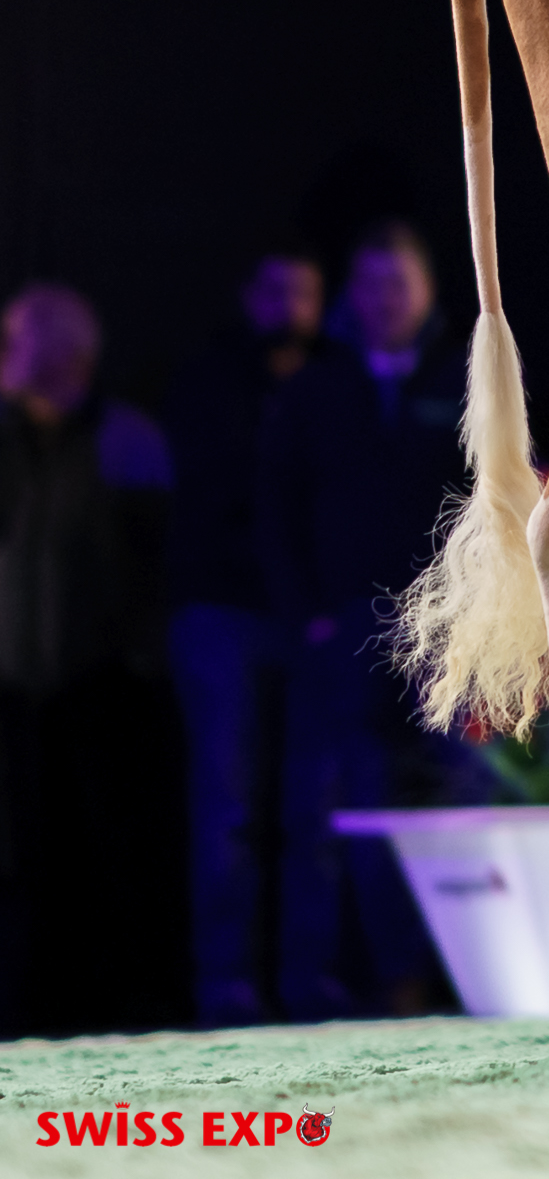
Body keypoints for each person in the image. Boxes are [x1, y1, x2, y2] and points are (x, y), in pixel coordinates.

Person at [257, 223, 470, 1018]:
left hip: (444, 628)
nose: (385, 299)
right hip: (345, 627)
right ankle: (338, 981)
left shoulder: (466, 374)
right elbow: (275, 506)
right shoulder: (317, 387)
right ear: (353, 294)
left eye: (398, 282)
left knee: (450, 798)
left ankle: (452, 975)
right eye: (371, 283)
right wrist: (307, 614)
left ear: (427, 290)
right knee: (343, 805)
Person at [0, 282, 185, 1036]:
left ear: (63, 353)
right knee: (23, 858)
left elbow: (155, 563)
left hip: (105, 688)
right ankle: (29, 1009)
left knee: (109, 853)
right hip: (15, 689)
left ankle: (119, 1007)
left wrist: (136, 656)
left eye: (16, 339)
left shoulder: (126, 439)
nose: (6, 353)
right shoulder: (4, 440)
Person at [163, 245, 323, 1024]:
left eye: (305, 293)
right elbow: (214, 490)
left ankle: (306, 978)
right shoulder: (206, 381)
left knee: (309, 808)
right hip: (221, 612)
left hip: (305, 618)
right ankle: (225, 981)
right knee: (227, 809)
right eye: (276, 291)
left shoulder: (332, 383)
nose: (290, 307)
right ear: (248, 297)